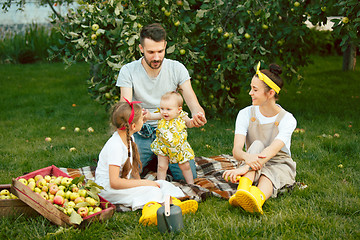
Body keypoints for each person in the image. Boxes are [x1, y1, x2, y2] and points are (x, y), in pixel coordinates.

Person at [116, 23, 207, 181]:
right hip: (141, 132)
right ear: (141, 48)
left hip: (171, 134)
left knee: (188, 177)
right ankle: (154, 160)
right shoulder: (128, 71)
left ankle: (157, 161)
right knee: (126, 175)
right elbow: (124, 109)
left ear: (165, 46)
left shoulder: (177, 69)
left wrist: (198, 116)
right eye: (151, 52)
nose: (156, 57)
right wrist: (137, 116)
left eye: (160, 51)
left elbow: (194, 104)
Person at [94, 99, 198, 225]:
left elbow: (133, 167)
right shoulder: (115, 146)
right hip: (108, 189)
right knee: (151, 191)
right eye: (141, 120)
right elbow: (114, 182)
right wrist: (143, 183)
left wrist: (141, 182)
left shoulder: (129, 136)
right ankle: (151, 213)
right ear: (133, 126)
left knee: (161, 184)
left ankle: (175, 204)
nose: (144, 121)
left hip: (122, 183)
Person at [222, 62, 297, 214]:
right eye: (251, 88)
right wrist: (246, 159)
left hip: (279, 162)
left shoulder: (287, 119)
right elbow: (237, 150)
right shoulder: (245, 114)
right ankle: (242, 192)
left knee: (268, 174)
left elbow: (272, 150)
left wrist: (245, 167)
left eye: (255, 90)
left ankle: (257, 198)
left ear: (270, 94)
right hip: (253, 157)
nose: (250, 93)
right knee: (256, 144)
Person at [147, 91, 199, 184]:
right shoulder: (161, 116)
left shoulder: (182, 116)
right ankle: (161, 184)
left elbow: (189, 123)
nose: (164, 112)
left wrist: (193, 121)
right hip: (164, 147)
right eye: (162, 108)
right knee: (162, 167)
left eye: (168, 109)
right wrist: (147, 115)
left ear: (178, 110)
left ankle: (191, 184)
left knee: (185, 166)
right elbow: (152, 116)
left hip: (180, 148)